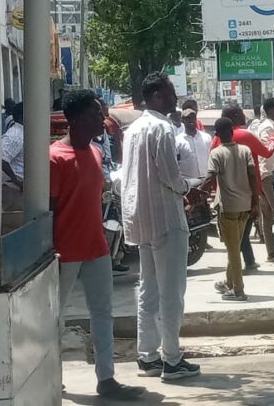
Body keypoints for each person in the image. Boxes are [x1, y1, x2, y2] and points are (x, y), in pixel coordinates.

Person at [53, 90, 145, 400]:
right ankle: (52, 378)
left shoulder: (94, 151)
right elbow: (49, 210)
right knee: (53, 318)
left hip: (96, 248)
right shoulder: (54, 158)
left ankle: (106, 379)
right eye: (95, 113)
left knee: (102, 313)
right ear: (77, 119)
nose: (101, 119)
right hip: (63, 253)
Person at [121, 72, 202, 380]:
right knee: (171, 292)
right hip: (165, 218)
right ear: (156, 96)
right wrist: (187, 188)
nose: (174, 98)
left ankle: (147, 356)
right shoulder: (161, 128)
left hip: (140, 218)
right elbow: (170, 175)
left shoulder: (133, 129)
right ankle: (171, 359)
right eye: (169, 93)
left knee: (149, 289)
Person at [211, 105, 274, 272]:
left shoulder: (217, 140)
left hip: (225, 192)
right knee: (243, 229)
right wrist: (273, 139)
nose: (244, 117)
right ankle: (235, 269)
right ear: (234, 116)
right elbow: (266, 153)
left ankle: (247, 261)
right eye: (241, 113)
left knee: (237, 230)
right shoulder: (245, 135)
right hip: (247, 190)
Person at [201, 117, 259, 301]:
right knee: (235, 246)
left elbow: (210, 177)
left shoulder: (216, 153)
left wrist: (196, 194)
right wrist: (255, 202)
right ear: (232, 132)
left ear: (217, 135)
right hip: (245, 206)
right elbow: (252, 176)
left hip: (228, 208)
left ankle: (238, 290)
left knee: (233, 250)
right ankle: (229, 282)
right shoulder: (245, 150)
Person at [255, 98, 274, 263]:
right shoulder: (268, 127)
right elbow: (266, 152)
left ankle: (271, 252)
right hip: (267, 174)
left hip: (264, 173)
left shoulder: (270, 125)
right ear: (270, 110)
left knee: (267, 215)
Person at [175, 109, 212, 181]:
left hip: (206, 181)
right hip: (188, 183)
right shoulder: (177, 141)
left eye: (193, 117)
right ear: (182, 120)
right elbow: (176, 163)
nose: (191, 120)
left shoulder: (206, 137)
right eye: (188, 118)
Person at [1, 102, 25, 211]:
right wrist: (17, 182)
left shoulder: (23, 132)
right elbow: (2, 159)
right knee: (13, 223)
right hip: (13, 188)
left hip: (20, 186)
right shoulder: (15, 135)